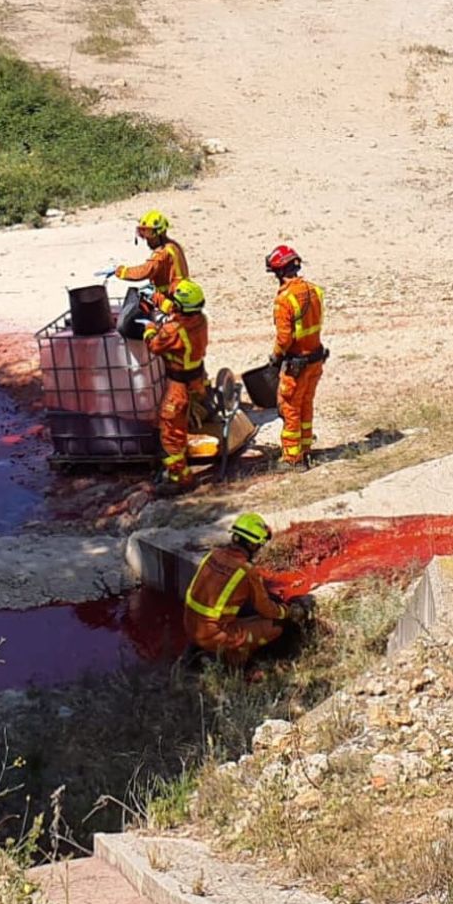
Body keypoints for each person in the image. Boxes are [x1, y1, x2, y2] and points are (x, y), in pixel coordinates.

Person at [184, 513, 313, 668]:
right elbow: (266, 609)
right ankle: (233, 663)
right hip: (216, 636)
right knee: (276, 627)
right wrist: (288, 612)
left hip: (191, 627)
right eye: (260, 545)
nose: (260, 549)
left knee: (243, 612)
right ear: (252, 545)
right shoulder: (246, 571)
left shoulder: (212, 555)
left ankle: (203, 650)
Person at [142, 277, 209, 493]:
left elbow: (154, 345)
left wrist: (150, 326)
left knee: (170, 431)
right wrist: (157, 299)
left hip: (178, 386)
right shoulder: (201, 320)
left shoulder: (173, 330)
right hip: (197, 380)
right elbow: (178, 311)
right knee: (184, 422)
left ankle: (180, 478)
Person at [266, 244, 328, 470]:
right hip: (316, 359)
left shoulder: (285, 300)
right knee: (306, 406)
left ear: (280, 272)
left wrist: (275, 357)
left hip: (297, 364)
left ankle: (293, 459)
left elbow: (284, 338)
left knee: (290, 408)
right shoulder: (314, 291)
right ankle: (305, 449)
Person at [97, 211, 188, 299]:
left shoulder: (162, 253)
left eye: (149, 234)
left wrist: (119, 271)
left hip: (172, 298)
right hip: (180, 294)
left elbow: (144, 272)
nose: (146, 239)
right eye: (142, 233)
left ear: (160, 233)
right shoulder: (173, 246)